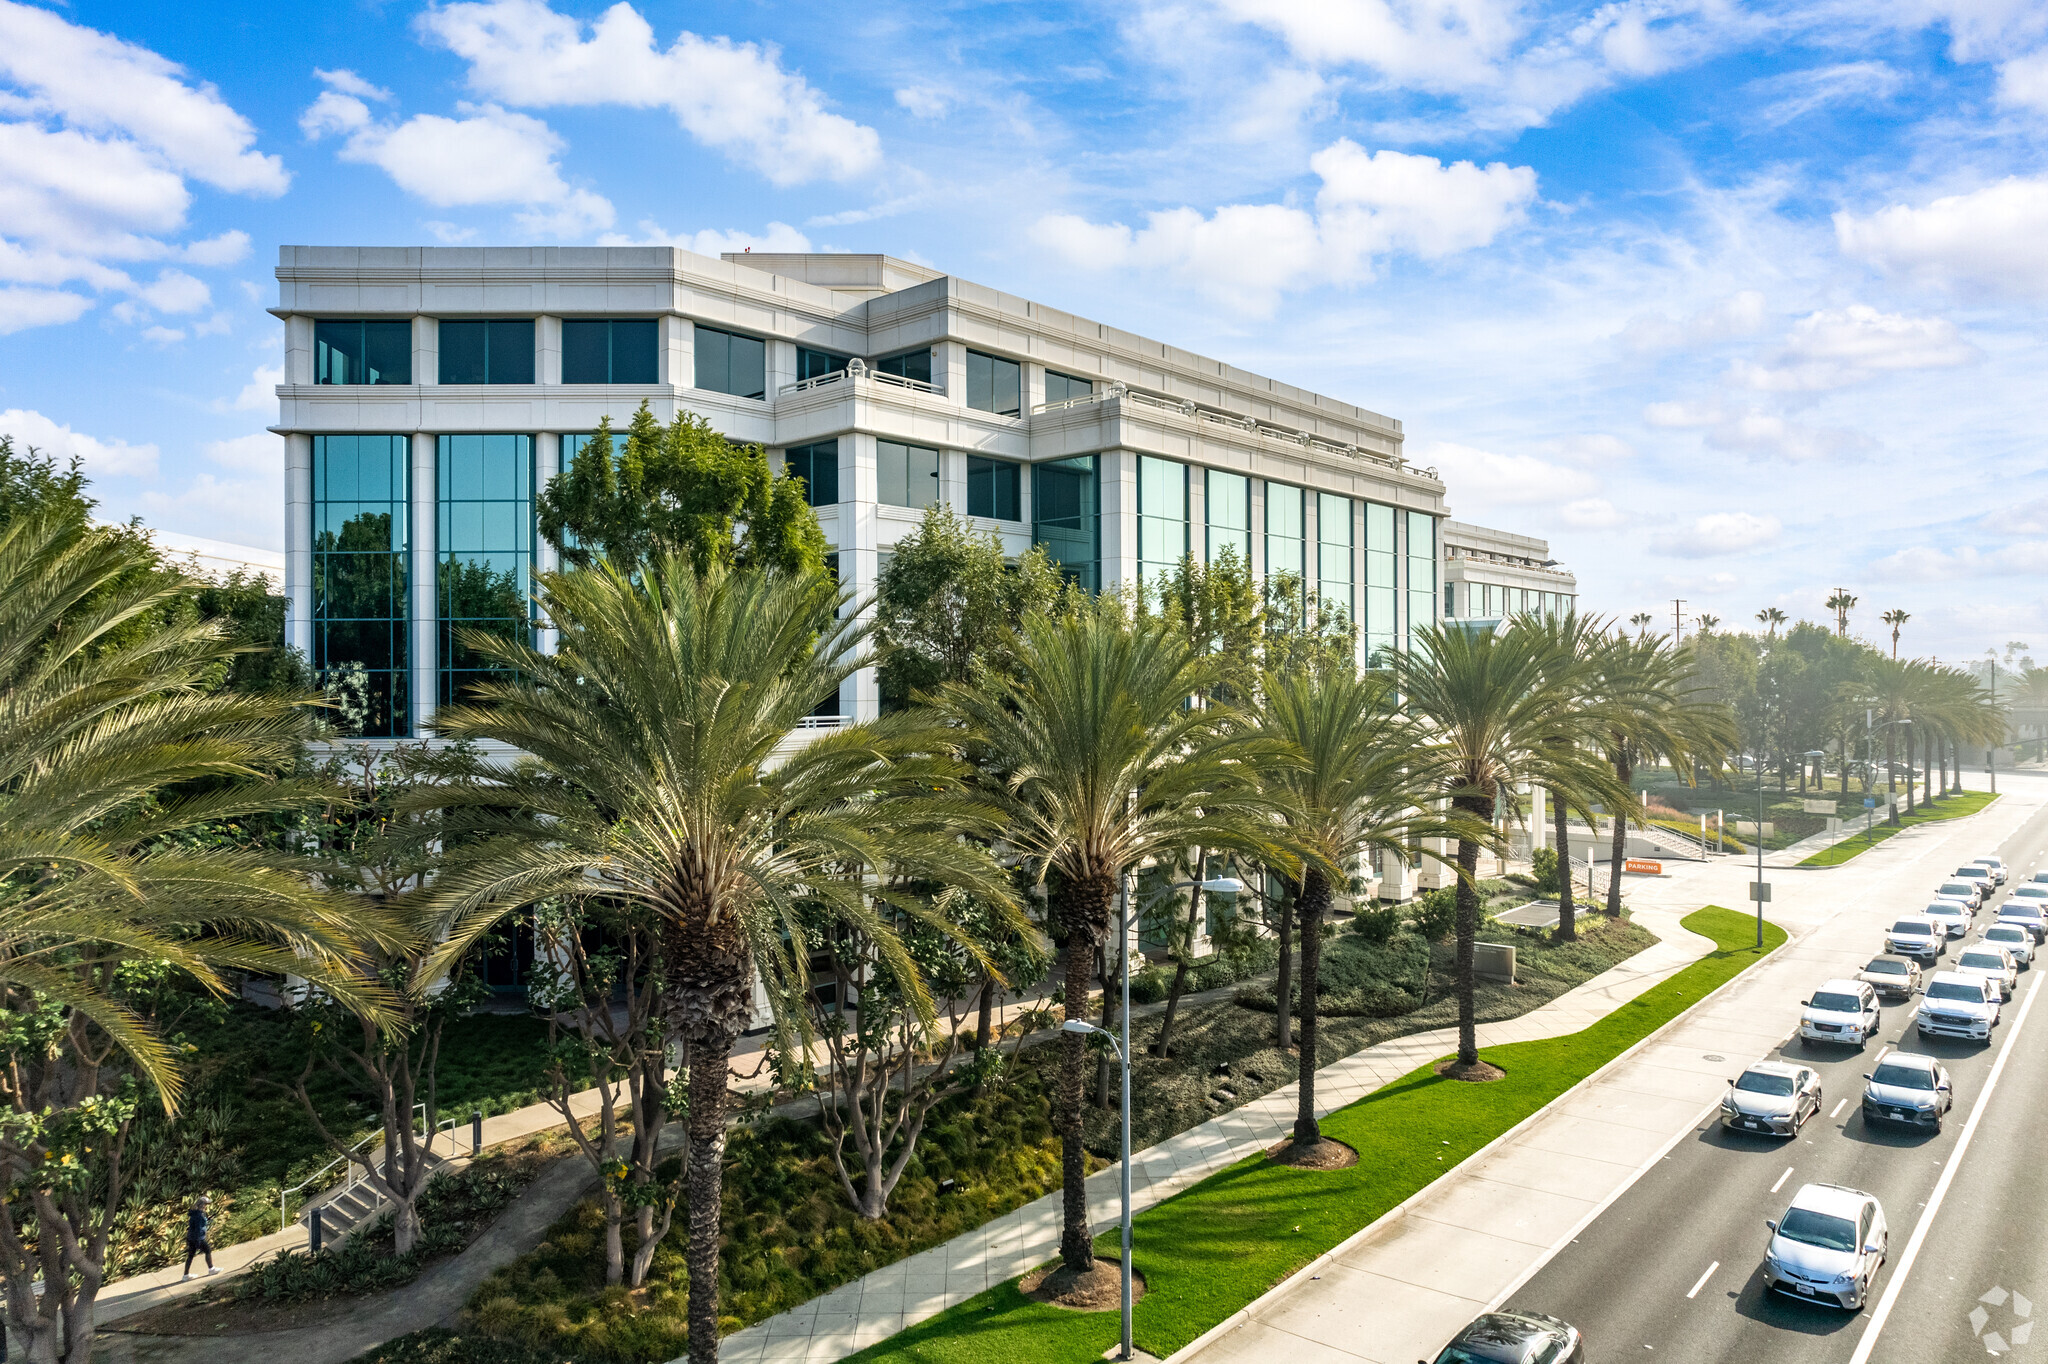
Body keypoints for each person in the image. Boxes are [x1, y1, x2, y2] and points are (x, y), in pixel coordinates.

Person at [181, 1194, 220, 1280]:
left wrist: (207, 1220)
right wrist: (199, 1240)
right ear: (202, 1205)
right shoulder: (199, 1215)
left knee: (190, 1255)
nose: (206, 1206)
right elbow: (198, 1228)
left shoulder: (194, 1214)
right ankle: (211, 1269)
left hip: (191, 1237)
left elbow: (196, 1225)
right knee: (208, 1250)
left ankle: (185, 1275)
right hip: (198, 1238)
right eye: (206, 1205)